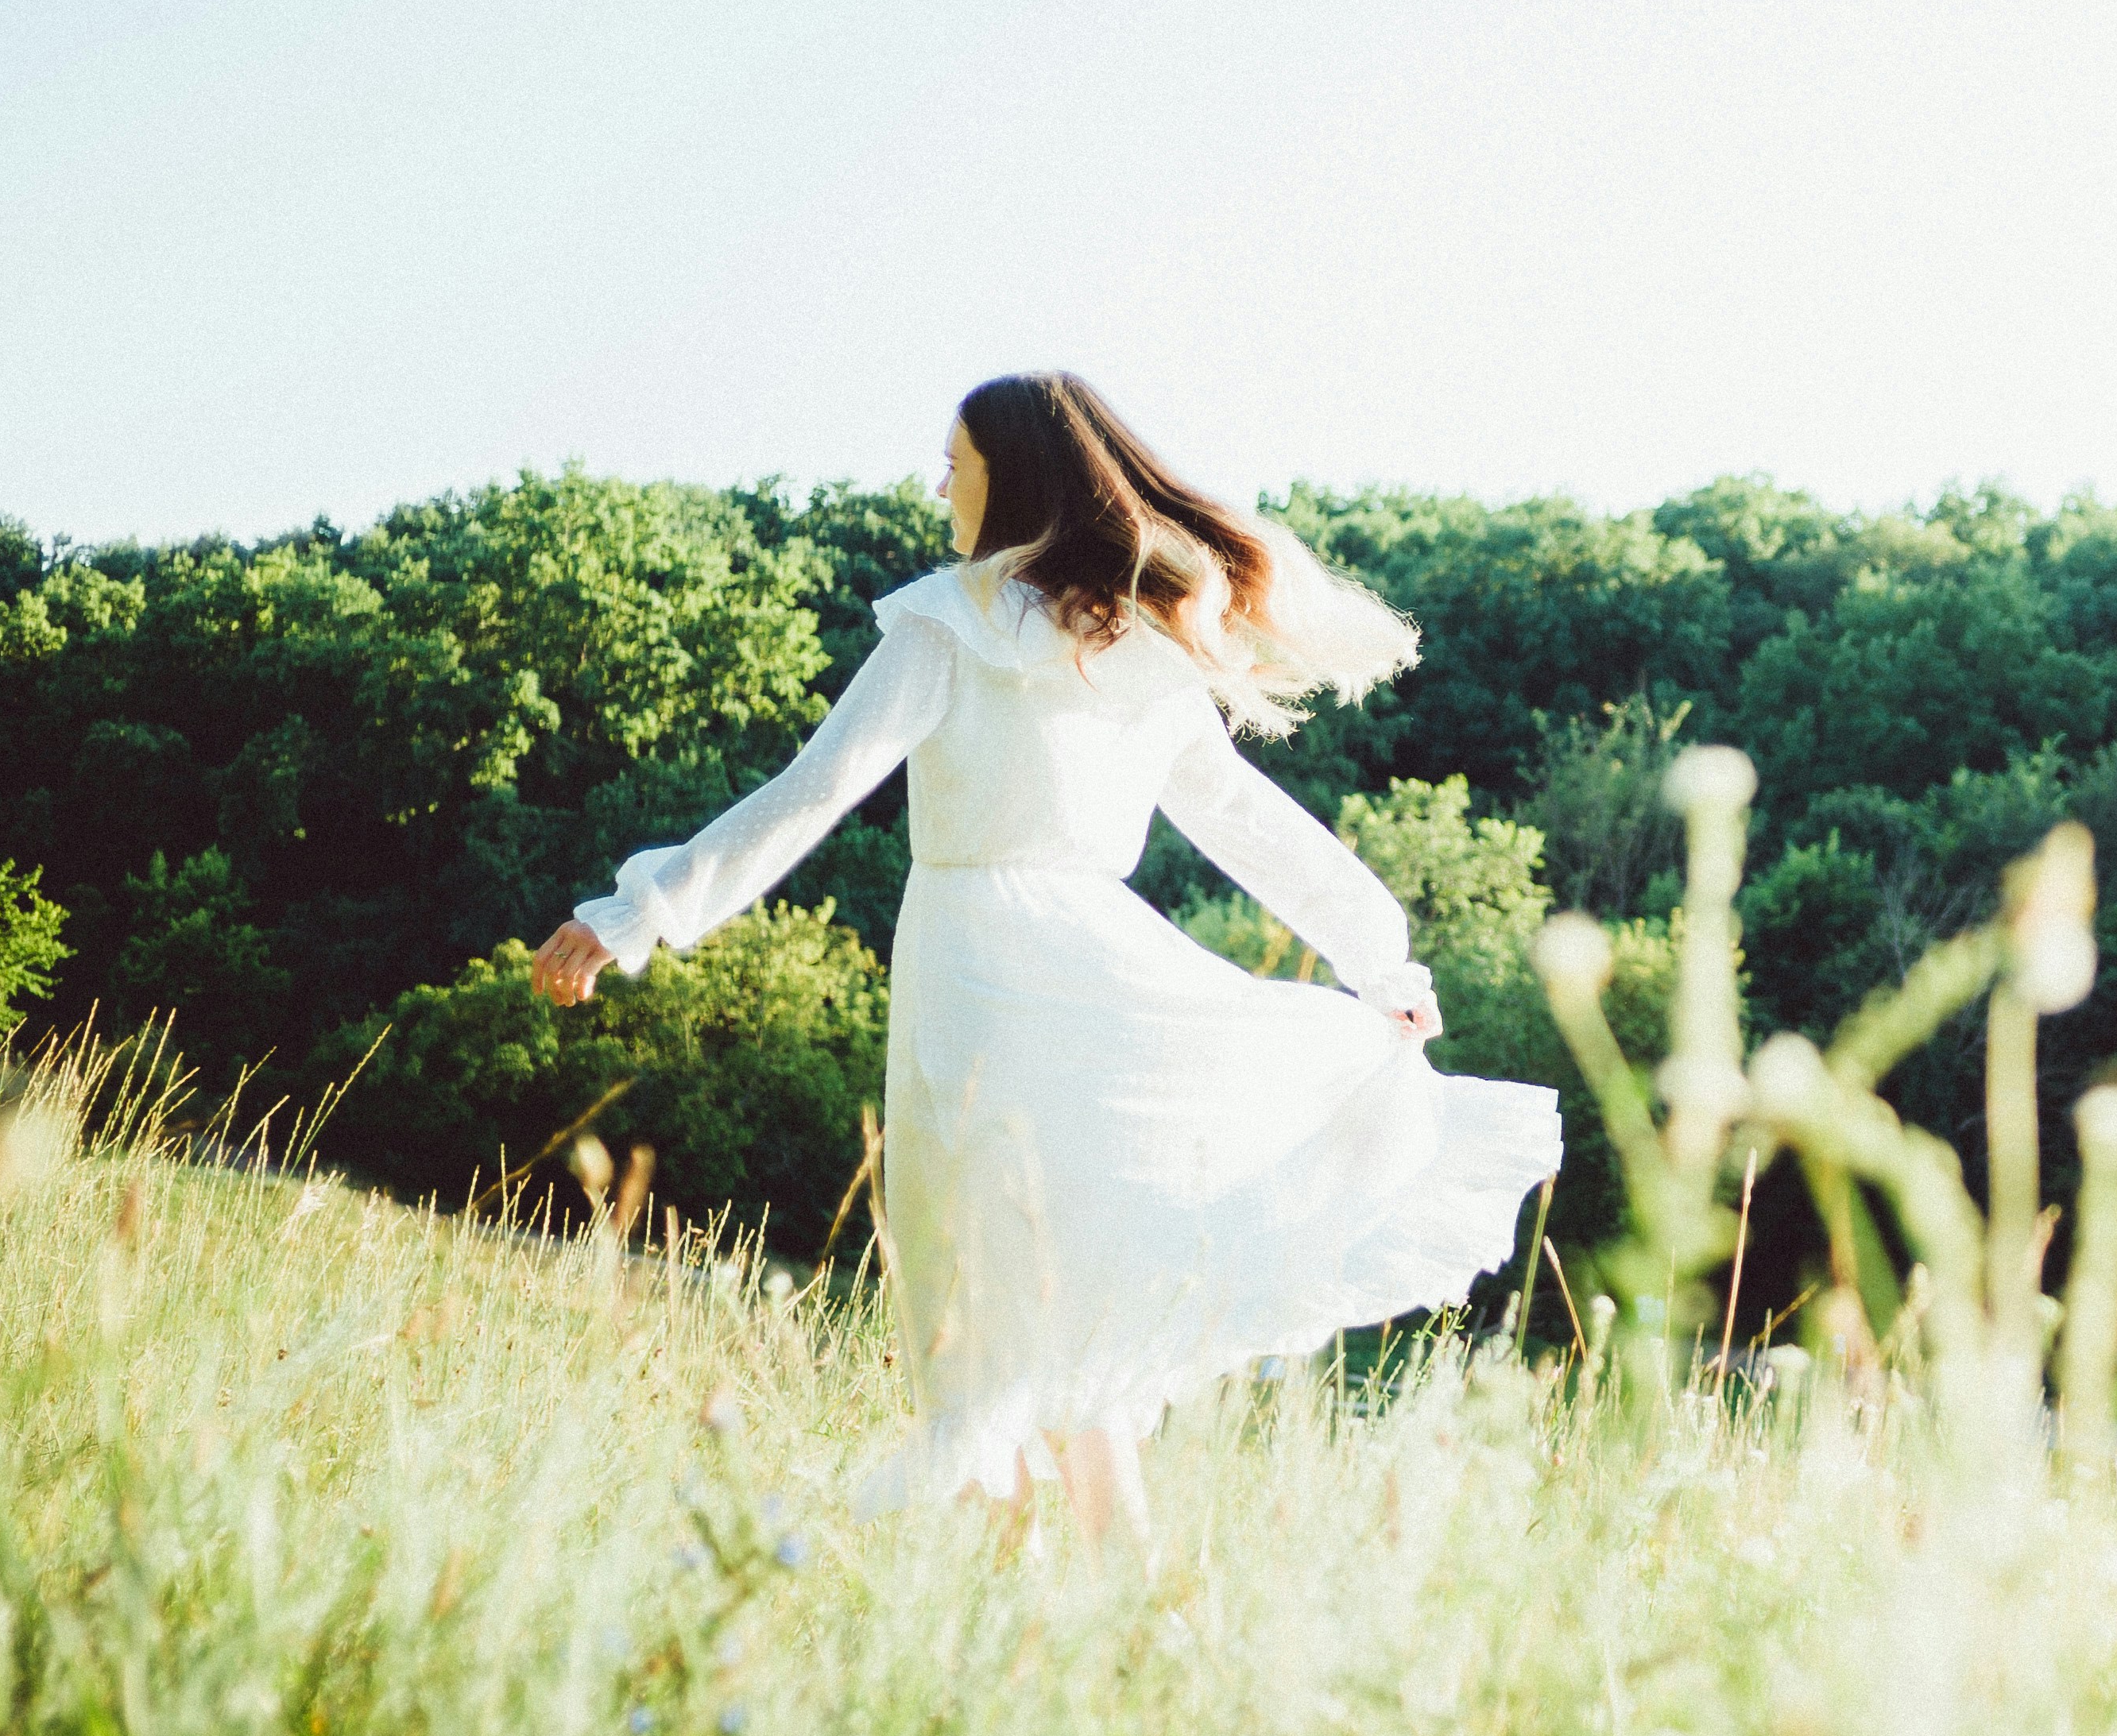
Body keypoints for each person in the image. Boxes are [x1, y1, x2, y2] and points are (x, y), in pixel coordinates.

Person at [530, 373, 1561, 1542]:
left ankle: (1010, 1562)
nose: (938, 486)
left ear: (1007, 478)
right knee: (1060, 1295)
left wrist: (636, 914)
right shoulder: (1138, 642)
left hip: (981, 974)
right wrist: (1380, 955)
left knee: (987, 1298)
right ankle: (1105, 1600)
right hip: (1092, 963)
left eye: (954, 465)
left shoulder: (954, 620)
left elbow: (812, 793)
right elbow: (1248, 822)